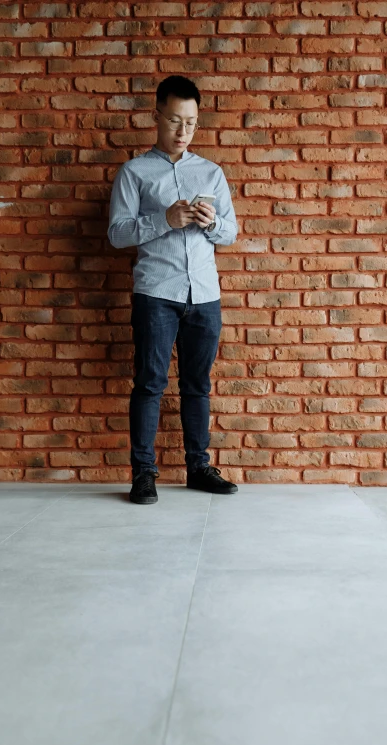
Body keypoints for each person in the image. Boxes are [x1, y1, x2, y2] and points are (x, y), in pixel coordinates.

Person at [107, 75, 239, 505]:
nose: (183, 131)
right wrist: (164, 219)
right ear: (157, 117)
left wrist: (210, 222)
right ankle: (143, 473)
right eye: (175, 121)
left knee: (197, 385)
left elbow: (230, 234)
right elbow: (117, 234)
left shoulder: (211, 172)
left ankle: (198, 467)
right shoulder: (134, 172)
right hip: (156, 293)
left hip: (204, 294)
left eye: (192, 123)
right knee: (149, 384)